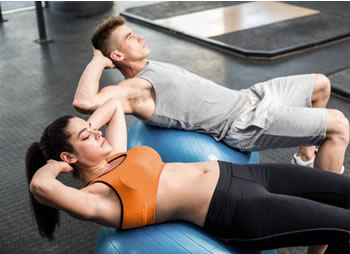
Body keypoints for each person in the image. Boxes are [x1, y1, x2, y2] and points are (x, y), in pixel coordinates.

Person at [27, 98, 350, 254]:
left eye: (92, 130)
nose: (96, 134)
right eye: (86, 137)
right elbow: (40, 185)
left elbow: (113, 105)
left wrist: (88, 128)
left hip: (248, 173)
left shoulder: (115, 154)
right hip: (237, 209)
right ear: (69, 157)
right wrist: (57, 165)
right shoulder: (95, 198)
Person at [72, 16, 349, 176]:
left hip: (250, 97)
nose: (139, 37)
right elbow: (84, 102)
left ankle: (304, 159)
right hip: (243, 123)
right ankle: (326, 219)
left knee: (321, 85)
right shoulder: (134, 90)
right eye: (130, 37)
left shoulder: (150, 65)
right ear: (117, 55)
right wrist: (97, 60)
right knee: (338, 126)